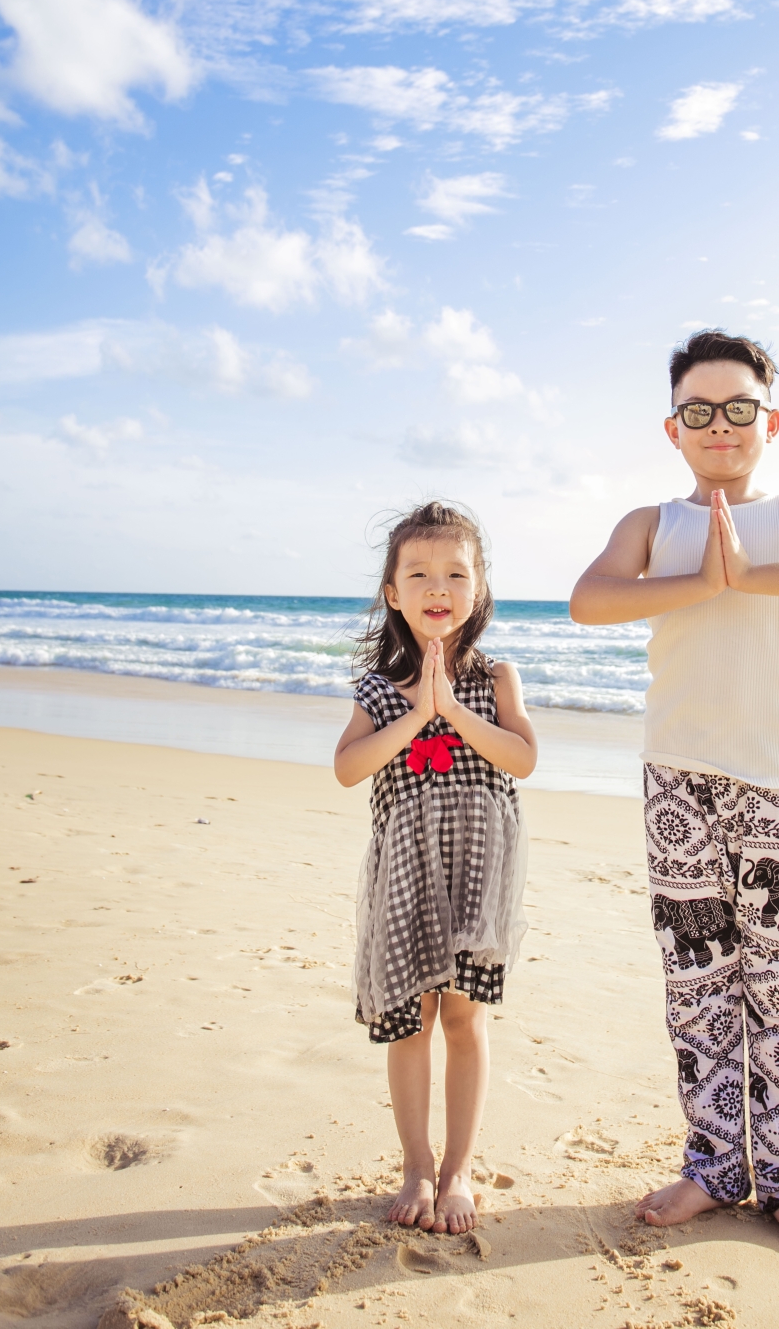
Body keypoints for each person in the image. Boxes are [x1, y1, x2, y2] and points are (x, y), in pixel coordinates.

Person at [570, 330, 779, 1258]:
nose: (721, 426)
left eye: (739, 409)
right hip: (677, 779)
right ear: (674, 429)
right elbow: (590, 600)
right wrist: (695, 578)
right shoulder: (651, 523)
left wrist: (747, 575)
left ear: (769, 421)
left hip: (776, 781)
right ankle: (714, 1167)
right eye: (700, 412)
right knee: (697, 988)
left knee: (775, 986)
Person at [335, 501, 537, 1236]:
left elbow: (522, 757)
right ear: (393, 592)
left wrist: (453, 706)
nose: (437, 585)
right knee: (410, 1022)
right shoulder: (378, 688)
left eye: (455, 572)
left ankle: (458, 1169)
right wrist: (419, 711)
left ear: (477, 590)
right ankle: (416, 1165)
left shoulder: (496, 678)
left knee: (464, 1017)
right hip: (408, 874)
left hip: (477, 875)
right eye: (417, 573)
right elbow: (348, 769)